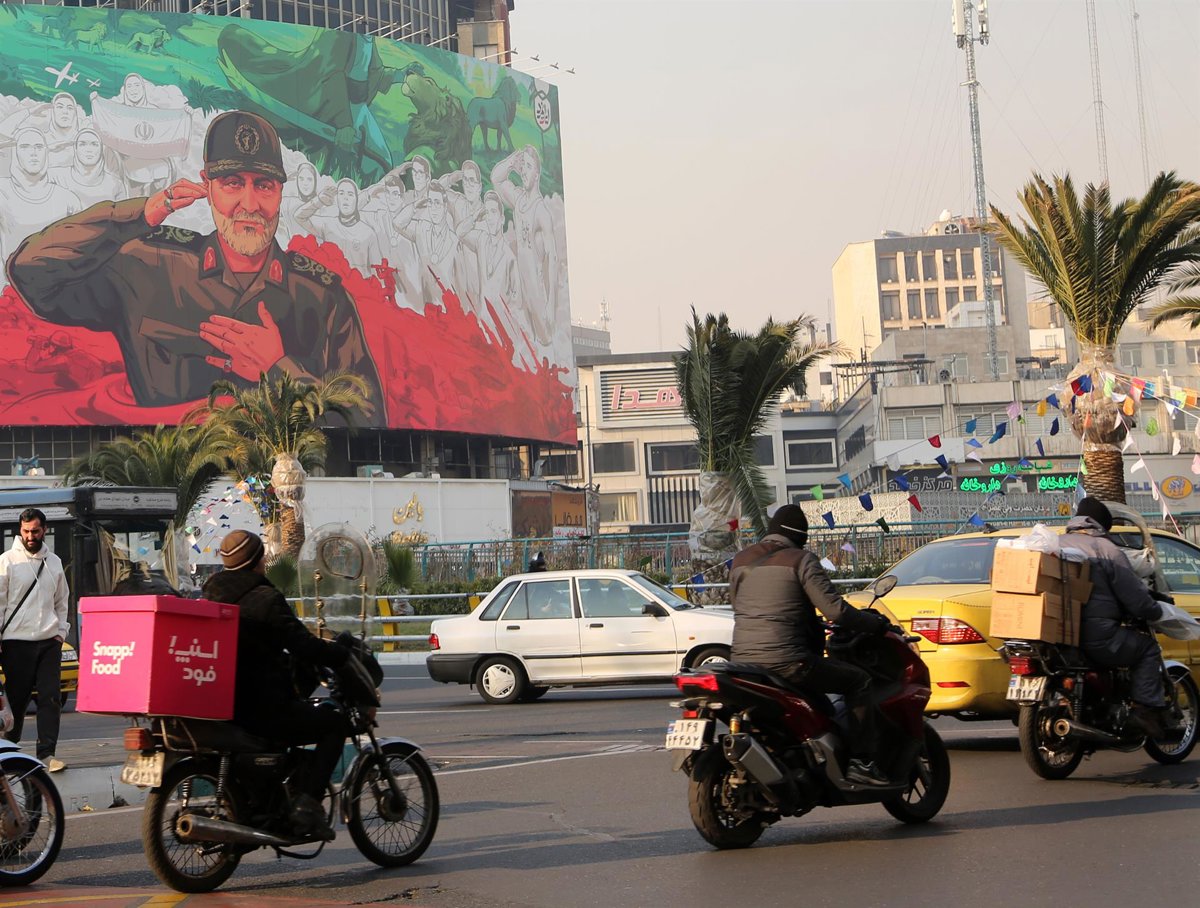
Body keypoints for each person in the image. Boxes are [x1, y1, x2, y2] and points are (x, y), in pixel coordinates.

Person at [8, 110, 384, 425]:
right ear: (207, 186)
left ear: (280, 193)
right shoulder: (146, 264)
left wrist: (278, 368)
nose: (249, 204)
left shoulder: (322, 297)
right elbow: (31, 271)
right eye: (232, 183)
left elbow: (367, 421)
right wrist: (138, 216)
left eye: (264, 185)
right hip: (167, 477)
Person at [201, 530, 352, 839]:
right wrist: (340, 653)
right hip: (262, 707)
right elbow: (302, 645)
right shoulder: (266, 599)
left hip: (222, 704)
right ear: (258, 561)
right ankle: (307, 807)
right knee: (334, 723)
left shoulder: (209, 596)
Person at [729, 504, 892, 785]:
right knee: (859, 682)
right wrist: (874, 624)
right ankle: (862, 763)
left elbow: (739, 606)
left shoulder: (741, 560)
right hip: (789, 662)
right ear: (800, 535)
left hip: (743, 664)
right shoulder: (802, 560)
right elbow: (835, 611)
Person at [1066, 497, 1171, 737]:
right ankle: (1143, 711)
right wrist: (1155, 611)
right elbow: (1134, 596)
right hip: (1096, 636)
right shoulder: (1106, 549)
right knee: (1147, 649)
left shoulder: (1054, 544)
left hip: (1058, 637)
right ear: (1102, 525)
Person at [0, 508, 70, 773]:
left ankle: (48, 754)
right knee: (17, 701)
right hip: (16, 642)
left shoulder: (54, 562)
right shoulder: (7, 561)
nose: (30, 536)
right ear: (20, 530)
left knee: (51, 697)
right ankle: (9, 751)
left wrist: (60, 633)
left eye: (36, 531)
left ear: (45, 530)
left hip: (49, 642)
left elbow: (62, 601)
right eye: (26, 531)